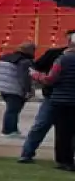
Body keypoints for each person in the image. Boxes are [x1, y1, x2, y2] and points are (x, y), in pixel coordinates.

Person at [29, 30, 75, 171]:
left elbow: (50, 79)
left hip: (61, 100)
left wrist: (35, 75)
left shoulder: (62, 59)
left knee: (62, 132)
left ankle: (64, 161)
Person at [20, 38, 68, 164]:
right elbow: (36, 68)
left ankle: (63, 159)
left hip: (67, 99)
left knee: (65, 131)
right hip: (52, 97)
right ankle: (26, 153)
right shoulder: (55, 54)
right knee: (41, 125)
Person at [0, 40, 35, 137]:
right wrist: (28, 90)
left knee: (12, 110)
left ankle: (12, 129)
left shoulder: (5, 57)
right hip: (14, 88)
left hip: (2, 87)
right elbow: (24, 77)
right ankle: (8, 131)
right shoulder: (24, 61)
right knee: (13, 110)